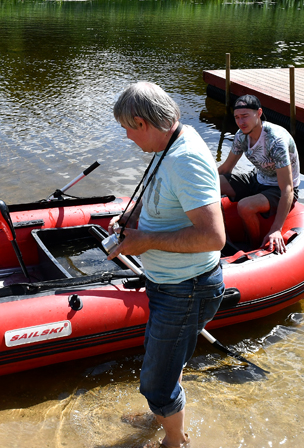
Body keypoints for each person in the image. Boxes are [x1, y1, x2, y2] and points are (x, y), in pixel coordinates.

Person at [107, 82, 226, 448]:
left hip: (187, 289)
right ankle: (161, 415)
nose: (127, 137)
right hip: (169, 286)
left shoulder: (185, 159)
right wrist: (132, 220)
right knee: (163, 364)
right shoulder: (168, 144)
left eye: (127, 128)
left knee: (156, 381)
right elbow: (161, 197)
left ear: (142, 123)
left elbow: (213, 237)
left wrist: (147, 240)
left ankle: (175, 441)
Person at [217, 94, 300, 254]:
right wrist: (200, 182)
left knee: (245, 206)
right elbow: (225, 169)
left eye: (245, 116)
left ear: (259, 113)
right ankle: (222, 238)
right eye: (237, 117)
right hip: (258, 178)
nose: (241, 122)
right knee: (214, 182)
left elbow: (287, 188)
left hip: (279, 188)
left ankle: (253, 247)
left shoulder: (276, 141)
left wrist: (276, 229)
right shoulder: (241, 136)